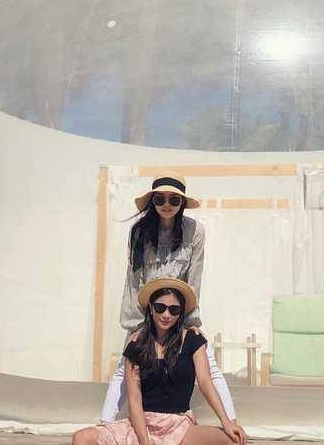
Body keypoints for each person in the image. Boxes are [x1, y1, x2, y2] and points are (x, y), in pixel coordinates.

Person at [100, 173, 237, 423]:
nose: (166, 204)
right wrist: (135, 325)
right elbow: (133, 279)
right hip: (148, 311)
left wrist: (190, 320)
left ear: (182, 202)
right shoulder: (139, 231)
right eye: (159, 198)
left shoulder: (195, 231)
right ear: (152, 200)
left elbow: (195, 276)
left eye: (174, 199)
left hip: (177, 310)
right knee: (125, 365)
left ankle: (232, 424)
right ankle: (105, 424)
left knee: (208, 364)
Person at [75, 279, 247, 445]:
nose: (166, 315)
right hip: (142, 425)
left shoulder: (193, 339)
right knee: (82, 438)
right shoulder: (136, 344)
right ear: (151, 308)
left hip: (179, 425)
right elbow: (134, 399)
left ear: (181, 313)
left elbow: (205, 382)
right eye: (160, 307)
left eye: (174, 310)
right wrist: (144, 442)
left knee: (234, 440)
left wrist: (227, 421)